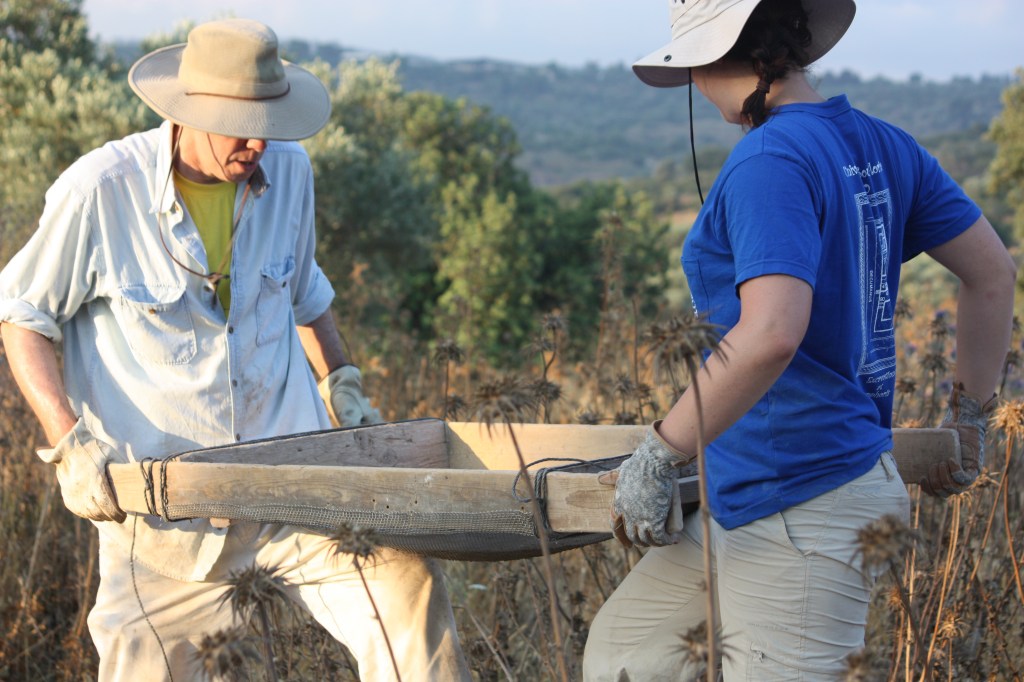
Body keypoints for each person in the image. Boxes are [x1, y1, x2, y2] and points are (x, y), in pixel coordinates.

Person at [0, 18, 470, 681]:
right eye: (237, 123)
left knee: (405, 590)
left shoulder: (290, 172)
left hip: (294, 494)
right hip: (166, 526)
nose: (257, 142)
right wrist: (68, 441)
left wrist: (343, 380)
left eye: (268, 123)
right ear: (186, 112)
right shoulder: (101, 190)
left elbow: (305, 289)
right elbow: (22, 317)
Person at [583, 0, 1016, 679]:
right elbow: (993, 275)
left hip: (804, 503)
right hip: (756, 487)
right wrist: (971, 416)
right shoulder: (883, 144)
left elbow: (771, 333)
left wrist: (658, 454)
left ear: (714, 58)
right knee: (626, 657)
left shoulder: (768, 160)